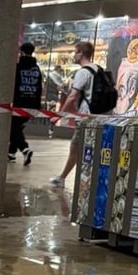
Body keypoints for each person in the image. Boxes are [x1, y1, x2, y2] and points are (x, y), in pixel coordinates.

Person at [51, 41, 100, 187]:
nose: (73, 55)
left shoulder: (83, 72)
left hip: (85, 117)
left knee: (76, 148)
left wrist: (59, 115)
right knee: (86, 148)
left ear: (81, 53)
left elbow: (72, 96)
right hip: (98, 116)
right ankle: (66, 177)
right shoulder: (98, 69)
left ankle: (82, 181)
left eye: (75, 52)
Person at [9, 42, 42, 165]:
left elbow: (13, 86)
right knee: (16, 128)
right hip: (32, 104)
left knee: (13, 129)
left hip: (18, 104)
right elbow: (39, 88)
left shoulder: (18, 67)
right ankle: (11, 153)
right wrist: (37, 106)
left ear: (21, 52)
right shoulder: (37, 69)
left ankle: (24, 149)